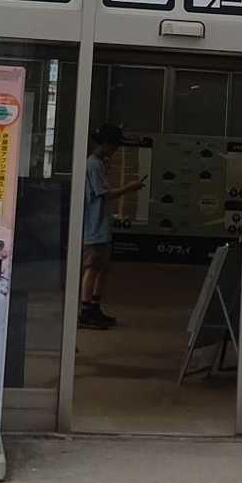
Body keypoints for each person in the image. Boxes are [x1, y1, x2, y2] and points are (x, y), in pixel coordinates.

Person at [80, 122, 145, 330]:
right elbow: (105, 194)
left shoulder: (99, 164)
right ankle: (86, 310)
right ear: (106, 144)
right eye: (115, 145)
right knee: (92, 268)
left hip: (101, 226)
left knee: (101, 269)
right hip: (94, 226)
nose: (116, 149)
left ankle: (94, 306)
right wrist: (130, 188)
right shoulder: (94, 165)